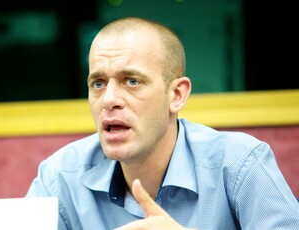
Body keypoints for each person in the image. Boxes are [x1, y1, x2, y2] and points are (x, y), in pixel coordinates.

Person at [26, 17, 299, 229]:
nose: (109, 100)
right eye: (98, 83)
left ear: (176, 95)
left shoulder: (239, 164)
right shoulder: (60, 177)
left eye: (131, 81)